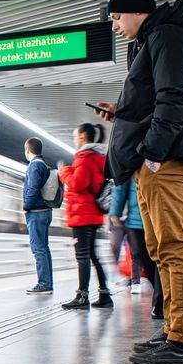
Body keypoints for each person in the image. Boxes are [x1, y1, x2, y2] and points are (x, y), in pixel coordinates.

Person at [95, 0, 183, 364]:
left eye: (117, 16)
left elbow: (175, 98)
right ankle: (174, 332)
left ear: (138, 10)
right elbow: (155, 99)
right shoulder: (153, 40)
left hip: (167, 161)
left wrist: (153, 154)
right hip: (157, 160)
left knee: (175, 247)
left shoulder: (170, 36)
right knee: (161, 249)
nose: (114, 25)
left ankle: (182, 341)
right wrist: (120, 111)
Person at [59, 123, 113, 310]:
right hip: (92, 214)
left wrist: (65, 172)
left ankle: (82, 296)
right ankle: (105, 294)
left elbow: (78, 184)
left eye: (75, 137)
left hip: (83, 214)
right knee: (92, 255)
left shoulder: (84, 157)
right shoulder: (97, 157)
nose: (74, 141)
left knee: (82, 256)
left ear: (82, 137)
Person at [110, 181, 164, 317]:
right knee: (145, 260)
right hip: (137, 218)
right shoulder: (133, 161)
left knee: (160, 259)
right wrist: (115, 211)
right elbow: (121, 184)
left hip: (160, 215)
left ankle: (160, 302)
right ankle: (160, 298)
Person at [22, 137, 54, 295]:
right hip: (46, 211)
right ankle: (47, 283)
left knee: (38, 249)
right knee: (44, 249)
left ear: (28, 149)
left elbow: (33, 188)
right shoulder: (44, 165)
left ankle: (44, 284)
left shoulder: (34, 165)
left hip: (36, 213)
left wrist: (26, 206)